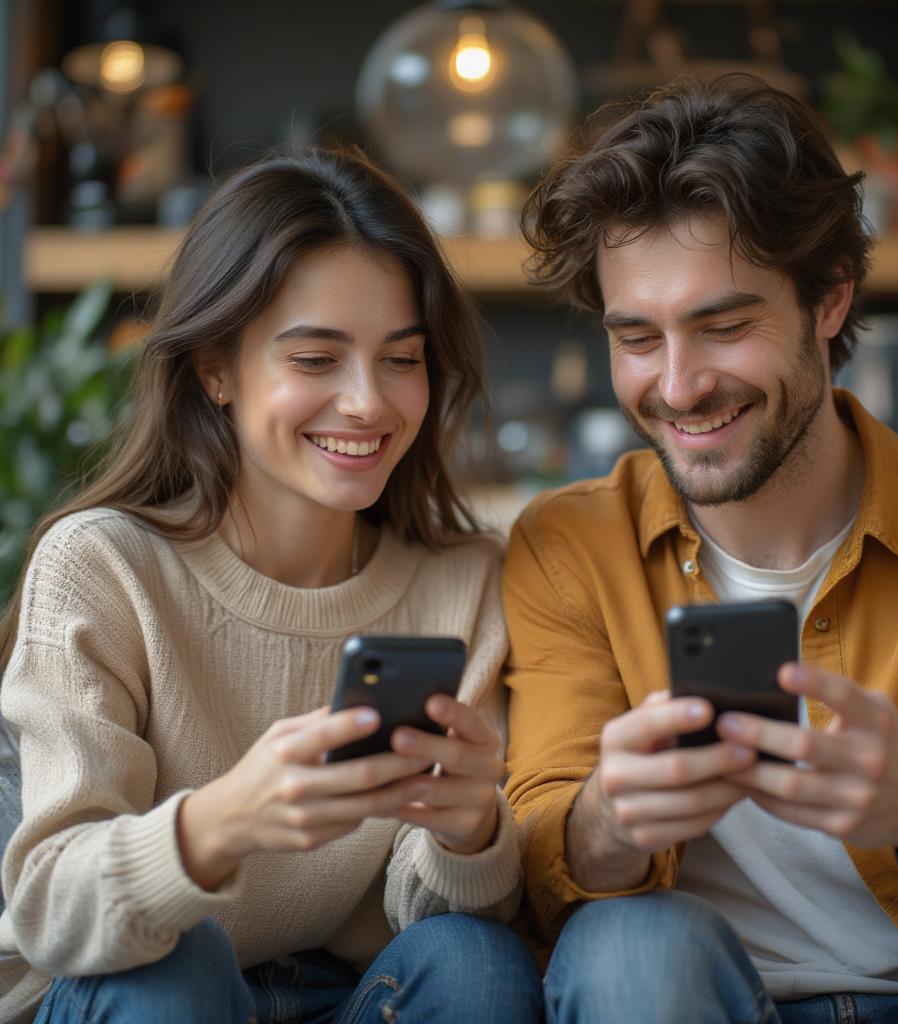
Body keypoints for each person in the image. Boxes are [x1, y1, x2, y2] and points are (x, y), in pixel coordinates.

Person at [502, 73, 898, 1023]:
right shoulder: (569, 544)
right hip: (697, 994)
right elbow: (540, 861)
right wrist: (611, 818)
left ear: (829, 301)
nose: (679, 386)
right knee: (626, 947)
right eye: (637, 338)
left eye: (724, 326)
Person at [0, 147, 543, 1024]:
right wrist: (220, 822)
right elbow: (47, 911)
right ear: (216, 367)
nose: (369, 402)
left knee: (474, 961)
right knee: (176, 965)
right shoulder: (104, 566)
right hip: (135, 984)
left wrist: (468, 832)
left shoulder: (465, 582)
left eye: (400, 359)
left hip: (352, 994)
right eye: (318, 358)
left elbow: (441, 917)